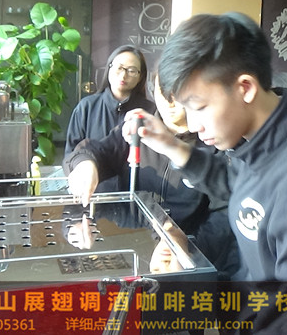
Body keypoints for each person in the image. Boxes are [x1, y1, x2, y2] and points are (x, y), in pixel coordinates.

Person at [121, 12, 287, 334]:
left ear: (245, 88)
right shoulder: (261, 139)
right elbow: (241, 185)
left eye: (199, 107)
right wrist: (171, 146)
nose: (193, 125)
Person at [62, 76, 239, 278]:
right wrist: (85, 164)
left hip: (186, 254)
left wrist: (189, 247)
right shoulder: (138, 128)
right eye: (163, 91)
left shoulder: (213, 141)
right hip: (133, 245)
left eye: (177, 91)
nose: (170, 101)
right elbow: (96, 151)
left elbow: (224, 212)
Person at [64, 45, 155, 157]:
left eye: (131, 71)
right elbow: (71, 156)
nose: (123, 75)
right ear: (109, 68)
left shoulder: (150, 111)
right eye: (119, 68)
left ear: (140, 77)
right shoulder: (86, 107)